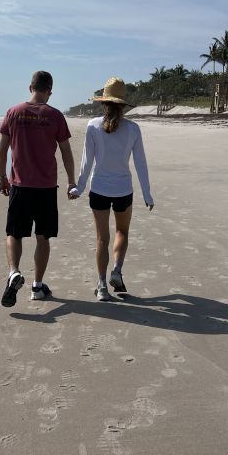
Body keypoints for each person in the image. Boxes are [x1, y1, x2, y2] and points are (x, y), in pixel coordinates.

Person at [0, 71, 78, 307]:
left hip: (20, 186)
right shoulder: (55, 116)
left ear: (30, 87)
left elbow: (2, 150)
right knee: (43, 238)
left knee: (14, 233)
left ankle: (13, 272)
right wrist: (72, 182)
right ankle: (37, 286)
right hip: (46, 188)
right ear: (49, 91)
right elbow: (65, 151)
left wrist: (3, 177)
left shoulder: (14, 112)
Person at [71, 77, 154, 301]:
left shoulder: (93, 126)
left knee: (101, 239)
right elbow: (140, 163)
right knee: (122, 232)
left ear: (104, 103)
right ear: (123, 104)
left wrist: (78, 188)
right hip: (123, 190)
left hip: (98, 188)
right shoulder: (133, 129)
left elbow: (86, 161)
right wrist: (147, 194)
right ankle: (116, 271)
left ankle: (101, 286)